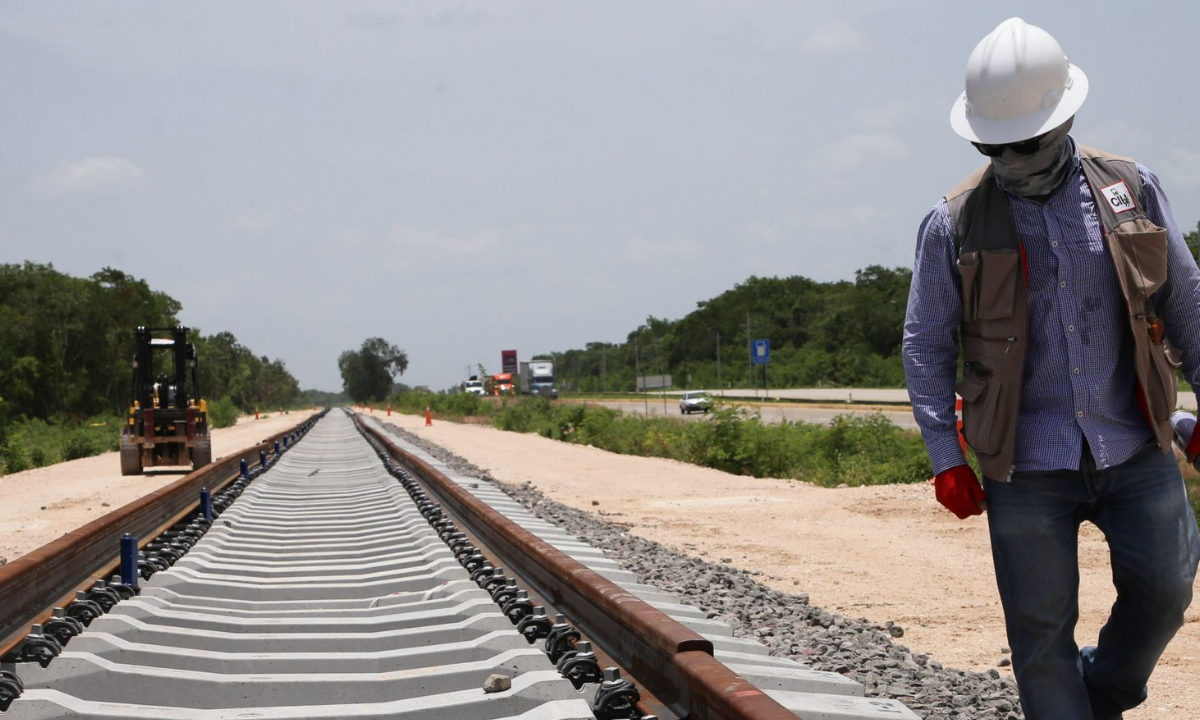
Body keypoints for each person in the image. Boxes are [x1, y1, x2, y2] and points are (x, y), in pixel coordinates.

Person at [902, 17, 1200, 720]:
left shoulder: (1131, 189)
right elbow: (924, 343)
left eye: (1026, 144)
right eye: (994, 147)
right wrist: (945, 454)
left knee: (1166, 592)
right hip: (1025, 464)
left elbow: (1185, 305)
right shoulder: (954, 223)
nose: (1013, 158)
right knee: (1040, 636)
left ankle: (1100, 697)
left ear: (1064, 120)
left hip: (1133, 442)